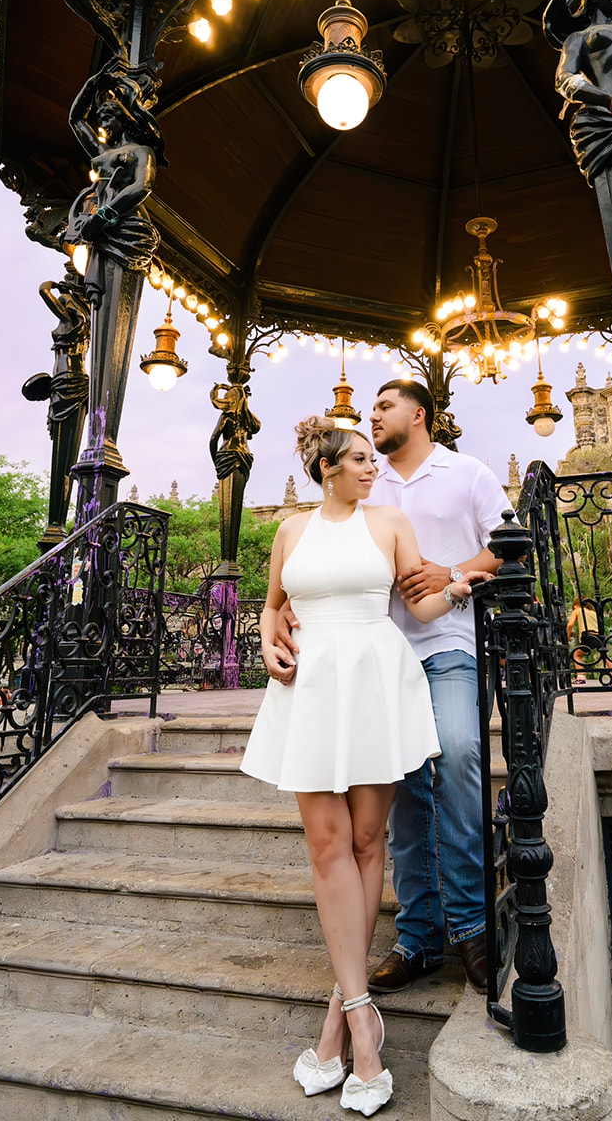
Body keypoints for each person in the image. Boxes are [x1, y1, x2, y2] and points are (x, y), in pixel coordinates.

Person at [242, 416, 486, 1116]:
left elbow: (424, 601)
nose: (369, 466)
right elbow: (272, 606)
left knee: (367, 841)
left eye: (367, 457)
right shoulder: (290, 529)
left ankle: (340, 1020)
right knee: (326, 846)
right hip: (311, 683)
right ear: (325, 468)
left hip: (376, 674)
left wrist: (464, 580)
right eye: (355, 459)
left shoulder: (388, 523)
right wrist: (266, 638)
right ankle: (358, 1017)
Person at [275, 380, 507, 995]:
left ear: (419, 413)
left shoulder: (468, 473)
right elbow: (295, 583)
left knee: (457, 755)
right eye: (369, 413)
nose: (372, 418)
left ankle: (473, 924)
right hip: (374, 662)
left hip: (446, 645)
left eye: (383, 407)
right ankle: (419, 935)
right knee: (400, 789)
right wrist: (284, 618)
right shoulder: (362, 492)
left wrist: (456, 573)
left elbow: (508, 546)